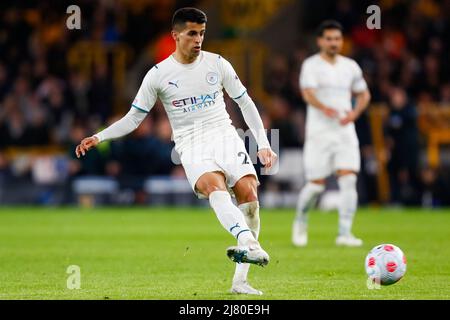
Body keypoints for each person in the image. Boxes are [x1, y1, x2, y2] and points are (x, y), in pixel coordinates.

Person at [75, 7, 277, 295]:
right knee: (214, 188)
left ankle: (240, 281)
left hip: (225, 135)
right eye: (192, 33)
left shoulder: (218, 64)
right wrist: (99, 136)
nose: (198, 40)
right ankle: (249, 242)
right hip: (191, 142)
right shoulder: (158, 75)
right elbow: (134, 118)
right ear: (175, 36)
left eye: (202, 34)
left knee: (250, 199)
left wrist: (265, 144)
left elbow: (245, 102)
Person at [292, 20, 371, 247]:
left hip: (345, 131)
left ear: (342, 41)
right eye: (329, 39)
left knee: (348, 180)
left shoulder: (350, 66)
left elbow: (364, 94)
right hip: (319, 133)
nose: (333, 43)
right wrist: (324, 108)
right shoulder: (311, 65)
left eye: (337, 39)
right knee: (316, 185)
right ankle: (301, 221)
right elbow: (307, 93)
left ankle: (344, 233)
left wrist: (354, 113)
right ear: (320, 41)